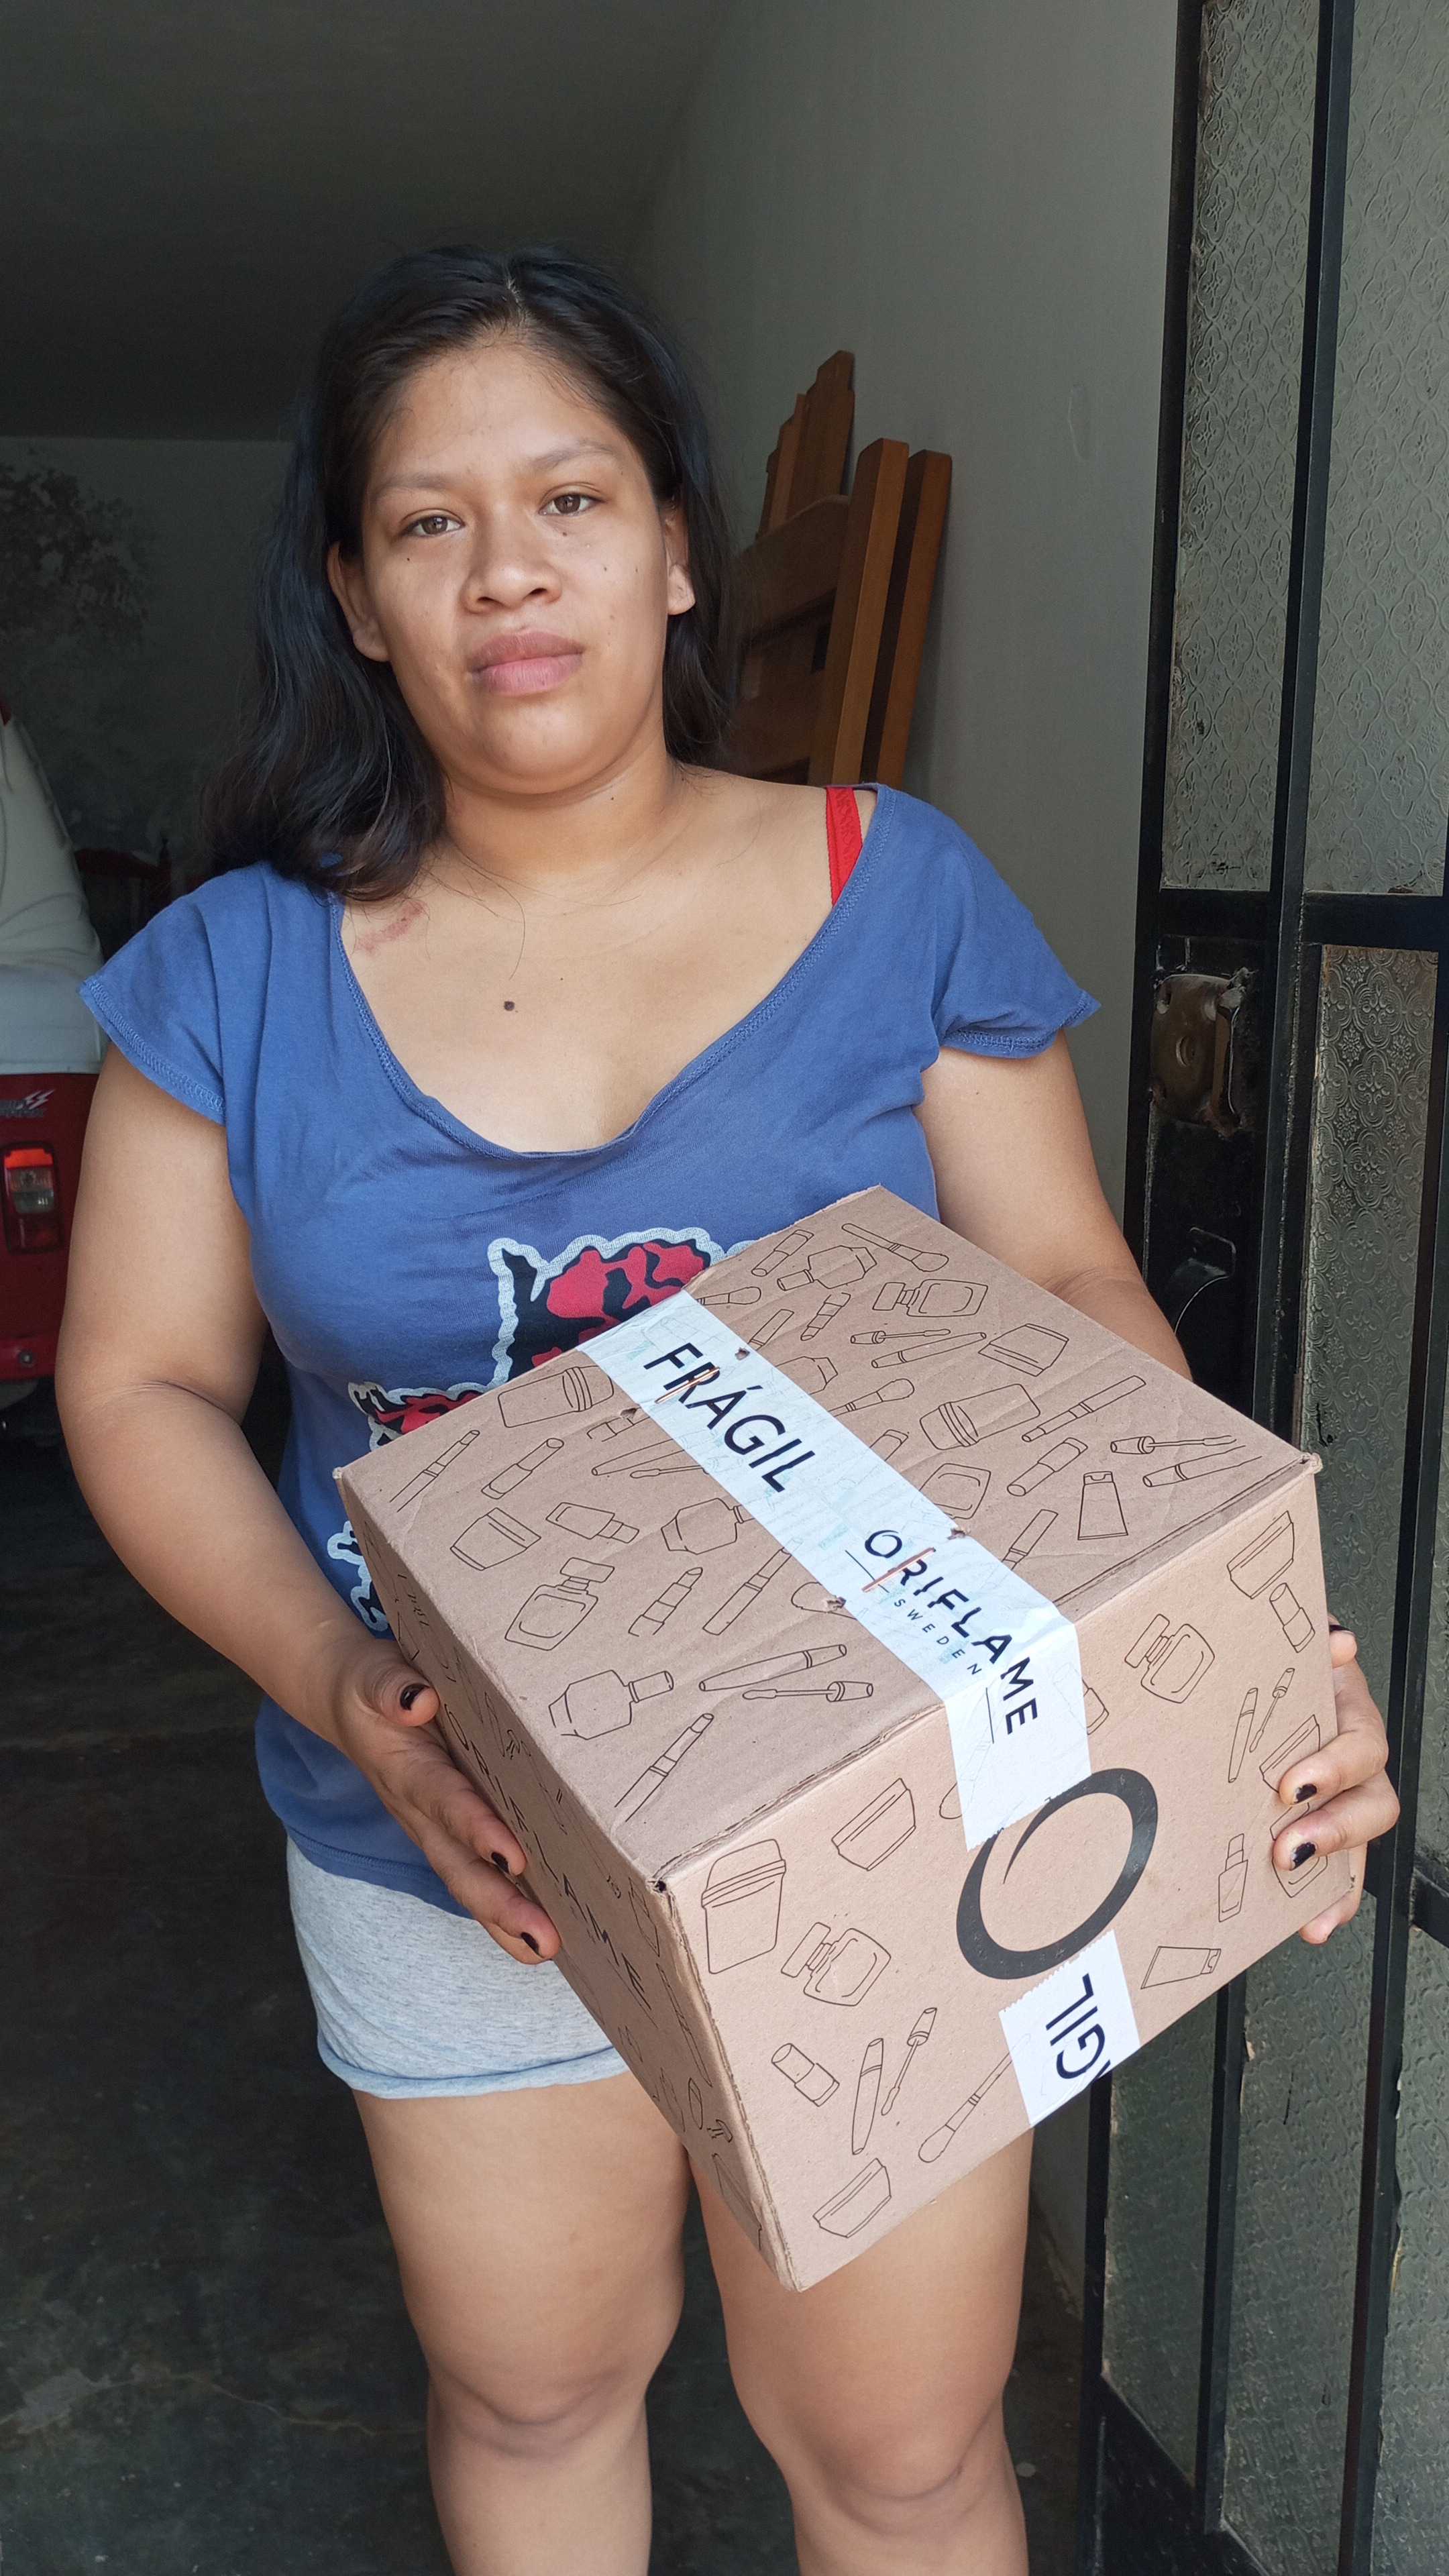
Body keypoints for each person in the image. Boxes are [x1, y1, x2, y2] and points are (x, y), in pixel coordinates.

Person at [56, 244, 1399, 2576]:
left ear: (676, 549)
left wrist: (1228, 1645)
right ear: (357, 597)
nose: (509, 572)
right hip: (447, 1844)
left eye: (570, 497)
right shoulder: (229, 976)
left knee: (898, 2451)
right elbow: (143, 1381)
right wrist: (345, 1688)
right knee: (536, 2391)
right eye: (429, 522)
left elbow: (1070, 1289)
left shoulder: (899, 892)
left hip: (887, 1817)